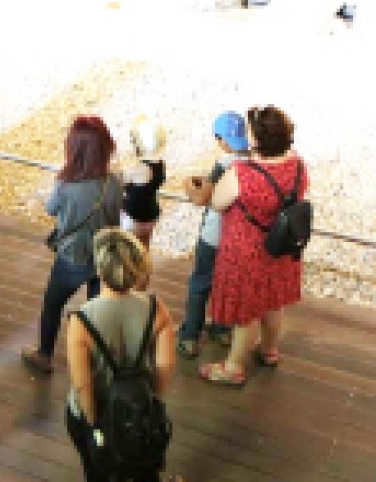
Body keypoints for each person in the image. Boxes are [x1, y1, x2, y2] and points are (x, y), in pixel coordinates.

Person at [200, 105, 308, 386]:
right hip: (281, 247)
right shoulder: (297, 164)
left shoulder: (242, 173)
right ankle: (269, 350)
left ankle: (233, 367)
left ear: (259, 140)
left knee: (244, 310)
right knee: (273, 301)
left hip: (246, 251)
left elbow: (217, 202)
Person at [65, 228, 176, 482]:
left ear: (99, 269)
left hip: (99, 408)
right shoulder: (156, 308)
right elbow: (165, 365)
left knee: (97, 472)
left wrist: (93, 424)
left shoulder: (81, 319)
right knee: (143, 468)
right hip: (139, 407)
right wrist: (153, 403)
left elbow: (83, 385)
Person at [22, 115, 122, 374]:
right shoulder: (114, 182)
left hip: (72, 257)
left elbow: (50, 209)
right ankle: (94, 359)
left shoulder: (66, 184)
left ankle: (44, 355)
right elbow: (115, 216)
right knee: (96, 310)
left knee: (53, 305)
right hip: (103, 256)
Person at [177, 111, 249, 358]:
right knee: (226, 284)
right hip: (238, 240)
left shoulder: (225, 163)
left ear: (221, 139)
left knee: (200, 283)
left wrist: (189, 183)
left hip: (214, 236)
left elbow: (203, 197)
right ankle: (222, 329)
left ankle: (190, 337)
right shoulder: (253, 161)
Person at [121, 114, 167, 251]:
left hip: (135, 219)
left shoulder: (140, 168)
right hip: (151, 214)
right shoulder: (160, 164)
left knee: (130, 252)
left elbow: (121, 182)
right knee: (144, 249)